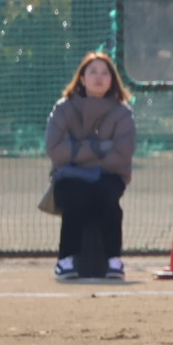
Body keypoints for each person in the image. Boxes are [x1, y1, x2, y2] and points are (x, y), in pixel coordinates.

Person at [46, 51, 135, 281]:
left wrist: (77, 150)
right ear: (82, 78)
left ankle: (114, 261)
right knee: (78, 195)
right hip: (69, 177)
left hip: (110, 176)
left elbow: (122, 154)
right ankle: (65, 261)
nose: (99, 77)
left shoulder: (122, 112)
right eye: (93, 72)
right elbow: (55, 150)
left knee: (107, 196)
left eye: (105, 73)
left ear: (112, 80)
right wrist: (98, 147)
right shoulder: (63, 108)